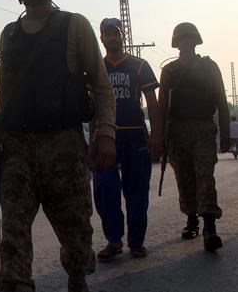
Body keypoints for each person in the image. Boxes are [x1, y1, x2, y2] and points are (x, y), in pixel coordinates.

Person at [0, 0, 116, 292]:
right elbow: (5, 92)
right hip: (18, 148)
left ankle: (77, 279)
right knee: (13, 233)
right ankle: (16, 282)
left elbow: (102, 87)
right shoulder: (9, 34)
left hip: (64, 146)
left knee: (76, 233)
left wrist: (106, 134)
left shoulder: (75, 26)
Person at [93, 18, 162, 262]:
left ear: (123, 36)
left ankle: (136, 242)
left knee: (137, 190)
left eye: (116, 33)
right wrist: (92, 139)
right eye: (107, 34)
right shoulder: (96, 68)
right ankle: (114, 240)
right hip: (106, 137)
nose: (112, 37)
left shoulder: (139, 65)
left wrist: (157, 135)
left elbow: (152, 103)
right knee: (104, 190)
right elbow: (91, 106)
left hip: (135, 136)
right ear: (102, 38)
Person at [159, 22, 230, 253]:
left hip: (203, 128)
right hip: (178, 131)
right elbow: (162, 108)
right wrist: (159, 139)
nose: (186, 42)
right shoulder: (169, 71)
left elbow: (221, 101)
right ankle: (192, 219)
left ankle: (209, 227)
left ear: (196, 41)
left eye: (190, 38)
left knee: (205, 176)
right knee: (185, 177)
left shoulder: (209, 67)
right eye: (182, 39)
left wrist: (226, 135)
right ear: (176, 43)